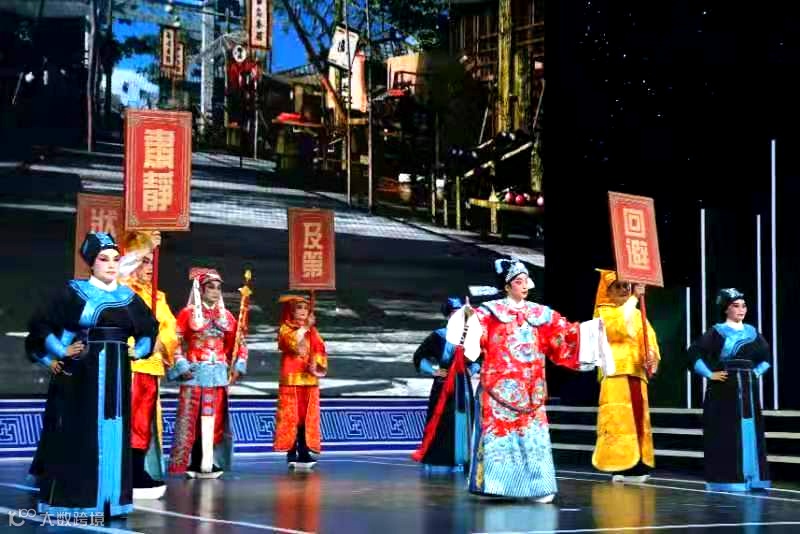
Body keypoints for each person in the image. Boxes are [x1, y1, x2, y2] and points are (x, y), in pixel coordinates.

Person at [454, 258, 613, 502]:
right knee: (501, 440)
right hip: (499, 388)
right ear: (507, 286)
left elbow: (564, 334)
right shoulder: (489, 312)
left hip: (531, 389)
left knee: (533, 439)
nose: (524, 285)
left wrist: (591, 331)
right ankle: (497, 485)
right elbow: (474, 340)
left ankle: (538, 486)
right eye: (518, 281)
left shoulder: (541, 314)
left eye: (526, 281)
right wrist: (467, 321)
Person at [25, 232, 157, 517]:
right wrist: (61, 349)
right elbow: (40, 324)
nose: (110, 265)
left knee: (114, 429)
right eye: (103, 259)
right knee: (80, 435)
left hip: (117, 376)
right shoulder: (74, 292)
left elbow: (149, 328)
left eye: (115, 259)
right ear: (91, 263)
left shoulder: (128, 297)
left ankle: (111, 501)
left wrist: (140, 349)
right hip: (81, 376)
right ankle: (76, 501)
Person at [688, 288, 771, 491]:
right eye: (735, 306)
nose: (741, 309)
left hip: (748, 390)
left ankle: (753, 478)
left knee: (750, 430)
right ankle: (728, 480)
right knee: (727, 432)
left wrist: (756, 372)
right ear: (726, 309)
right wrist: (709, 374)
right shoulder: (717, 331)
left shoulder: (752, 332)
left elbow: (766, 359)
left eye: (743, 305)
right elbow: (693, 353)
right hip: (724, 390)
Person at [167, 269, 248, 478]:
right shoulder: (188, 313)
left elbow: (238, 343)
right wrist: (181, 365)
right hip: (195, 373)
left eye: (218, 288)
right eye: (210, 287)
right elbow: (174, 341)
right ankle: (194, 461)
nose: (215, 291)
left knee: (215, 420)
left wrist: (238, 365)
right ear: (201, 290)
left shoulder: (227, 316)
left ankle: (210, 461)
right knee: (192, 419)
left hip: (218, 376)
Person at [118, 231, 178, 499]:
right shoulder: (122, 288)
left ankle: (137, 468)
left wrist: (160, 341)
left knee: (143, 421)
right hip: (127, 364)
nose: (149, 268)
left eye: (152, 262)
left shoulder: (158, 296)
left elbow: (169, 327)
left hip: (151, 367)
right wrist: (145, 247)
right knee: (124, 417)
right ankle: (118, 470)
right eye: (144, 261)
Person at [591, 269, 660, 483]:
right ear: (608, 291)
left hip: (636, 373)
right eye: (618, 287)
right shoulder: (603, 312)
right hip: (615, 373)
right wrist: (634, 298)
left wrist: (650, 356)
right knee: (618, 421)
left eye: (626, 286)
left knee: (638, 419)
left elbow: (648, 338)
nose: (623, 290)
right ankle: (618, 468)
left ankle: (638, 466)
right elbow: (616, 329)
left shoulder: (638, 314)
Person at [411, 297, 480, 472]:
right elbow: (419, 356)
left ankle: (463, 460)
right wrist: (433, 370)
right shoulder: (439, 335)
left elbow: (479, 359)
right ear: (448, 315)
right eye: (455, 313)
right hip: (443, 384)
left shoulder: (471, 336)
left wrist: (470, 370)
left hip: (462, 384)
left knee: (464, 419)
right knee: (442, 420)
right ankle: (438, 462)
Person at [273, 295, 328, 470]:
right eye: (299, 308)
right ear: (292, 311)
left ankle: (304, 450)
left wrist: (316, 364)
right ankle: (291, 451)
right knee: (292, 416)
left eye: (306, 308)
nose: (303, 311)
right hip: (292, 380)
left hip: (309, 380)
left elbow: (320, 349)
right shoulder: (286, 328)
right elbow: (290, 343)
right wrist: (305, 327)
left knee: (306, 417)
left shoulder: (313, 331)